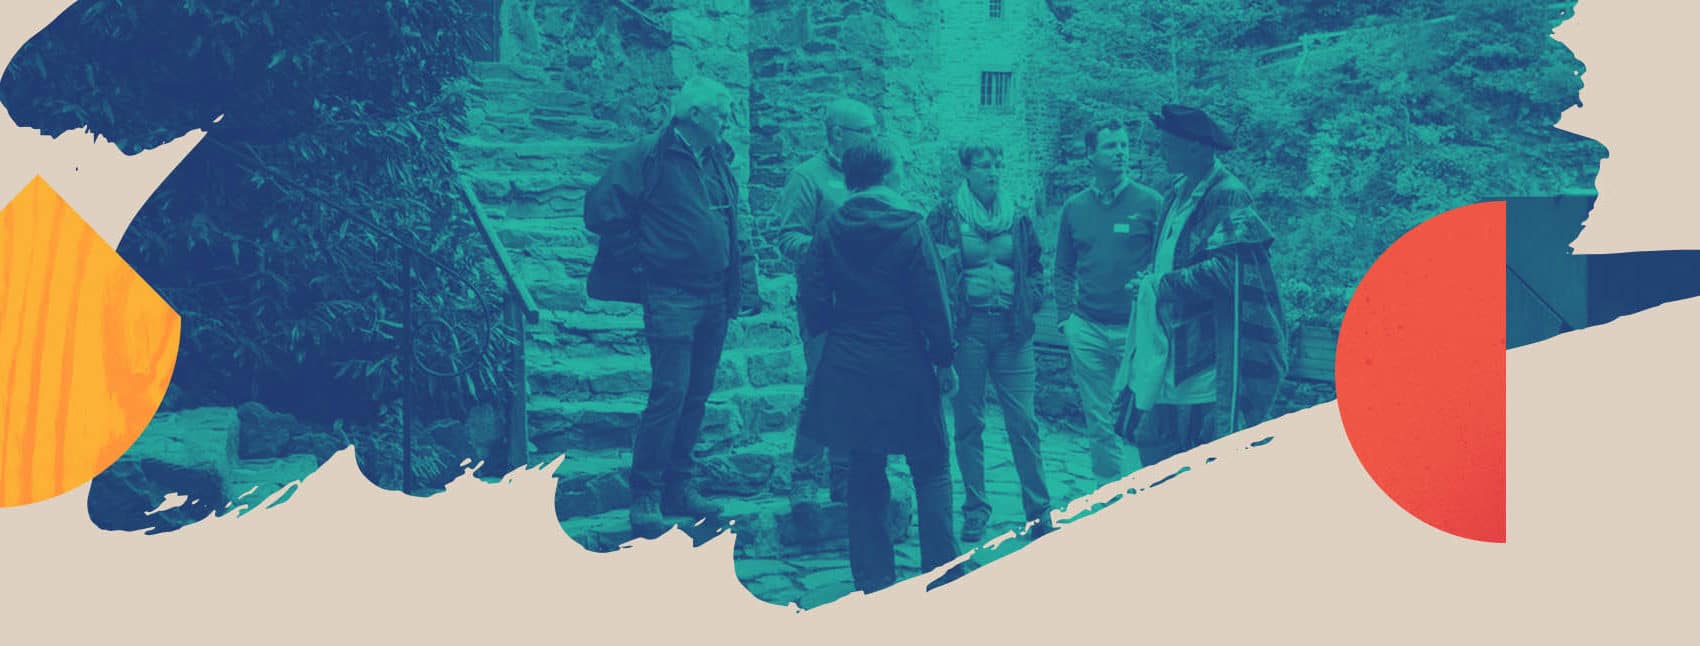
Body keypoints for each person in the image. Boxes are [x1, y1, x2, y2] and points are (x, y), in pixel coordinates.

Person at [583, 77, 762, 537]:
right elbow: (601, 211)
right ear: (695, 115)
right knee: (670, 393)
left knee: (696, 395)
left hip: (715, 295)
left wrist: (743, 287)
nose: (728, 121)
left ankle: (679, 486)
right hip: (671, 296)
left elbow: (733, 223)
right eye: (721, 113)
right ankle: (645, 491)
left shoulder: (718, 158)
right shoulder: (648, 154)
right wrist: (642, 259)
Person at [796, 137, 961, 594]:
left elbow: (811, 298)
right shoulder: (910, 225)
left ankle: (874, 580)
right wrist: (944, 359)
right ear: (887, 174)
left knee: (865, 468)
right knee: (931, 465)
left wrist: (839, 330)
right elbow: (933, 300)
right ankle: (943, 574)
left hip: (850, 362)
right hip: (905, 361)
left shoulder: (829, 228)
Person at [1116, 104, 1289, 465]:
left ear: (1195, 147)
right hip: (1164, 350)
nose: (1160, 151)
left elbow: (1228, 270)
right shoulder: (1175, 193)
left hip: (1205, 358)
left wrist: (1160, 286)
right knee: (1154, 453)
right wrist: (1148, 280)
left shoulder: (1228, 194)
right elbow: (1169, 258)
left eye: (1167, 144)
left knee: (1198, 460)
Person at [926, 140, 1053, 543]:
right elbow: (931, 270)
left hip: (1013, 331)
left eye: (997, 164)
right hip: (969, 331)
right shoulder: (945, 216)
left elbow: (1036, 265)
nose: (993, 172)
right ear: (967, 170)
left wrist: (1031, 300)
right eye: (984, 165)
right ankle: (976, 508)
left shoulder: (1017, 216)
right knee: (968, 423)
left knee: (1024, 422)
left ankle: (1039, 511)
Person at [771, 98, 879, 508]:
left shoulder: (871, 177)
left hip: (865, 304)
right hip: (823, 301)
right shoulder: (807, 177)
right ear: (838, 134)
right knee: (820, 386)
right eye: (865, 130)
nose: (874, 137)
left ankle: (843, 475)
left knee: (857, 387)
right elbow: (787, 238)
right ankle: (804, 476)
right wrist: (833, 247)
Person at [1053, 120, 1164, 481]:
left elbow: (1166, 262)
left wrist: (1149, 285)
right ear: (1090, 154)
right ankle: (1109, 494)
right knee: (1099, 420)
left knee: (1145, 416)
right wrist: (1066, 318)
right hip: (1087, 329)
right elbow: (1062, 268)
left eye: (1124, 145)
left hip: (1137, 331)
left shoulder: (1151, 203)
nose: (1120, 152)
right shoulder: (1074, 208)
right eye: (1110, 146)